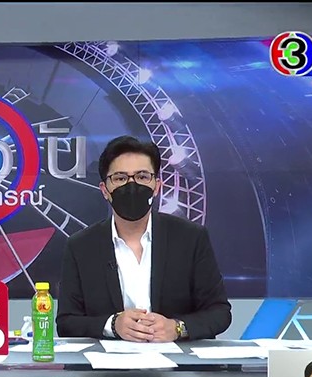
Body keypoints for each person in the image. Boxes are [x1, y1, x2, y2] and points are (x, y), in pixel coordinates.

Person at [56, 135, 231, 342]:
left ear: (157, 186)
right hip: (109, 361)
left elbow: (219, 312)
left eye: (142, 176)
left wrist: (177, 328)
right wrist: (112, 325)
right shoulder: (81, 246)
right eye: (120, 178)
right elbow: (66, 322)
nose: (132, 185)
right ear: (105, 190)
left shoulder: (191, 238)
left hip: (178, 360)